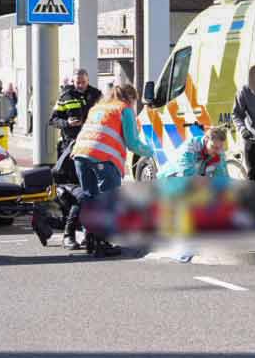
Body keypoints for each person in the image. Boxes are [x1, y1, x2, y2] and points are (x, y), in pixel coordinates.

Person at [67, 83, 151, 255]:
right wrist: (152, 152)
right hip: (103, 158)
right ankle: (102, 242)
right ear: (131, 98)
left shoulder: (98, 108)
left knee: (90, 198)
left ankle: (90, 239)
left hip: (80, 155)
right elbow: (133, 142)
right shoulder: (124, 109)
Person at [52, 68, 102, 155]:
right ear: (72, 81)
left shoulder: (97, 95)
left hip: (92, 143)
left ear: (88, 80)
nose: (81, 85)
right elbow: (53, 120)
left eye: (83, 82)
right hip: (71, 144)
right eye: (78, 83)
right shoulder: (65, 97)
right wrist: (67, 123)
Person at [158, 125, 230, 180]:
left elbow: (222, 176)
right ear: (206, 140)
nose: (218, 151)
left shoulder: (219, 151)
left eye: (220, 147)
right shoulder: (190, 148)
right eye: (214, 147)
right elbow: (187, 174)